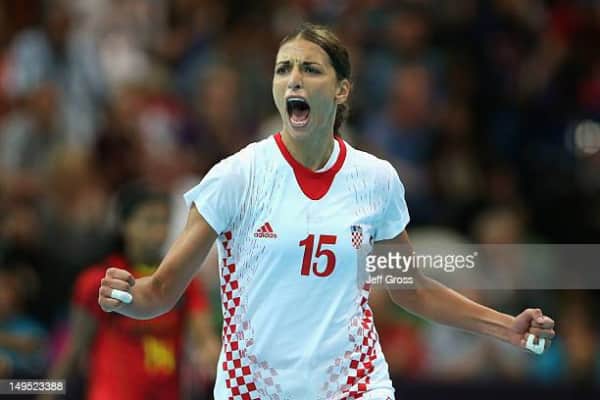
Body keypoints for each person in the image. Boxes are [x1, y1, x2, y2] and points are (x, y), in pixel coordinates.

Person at [98, 24, 555, 400]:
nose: (293, 79)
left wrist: (506, 327)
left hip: (355, 386)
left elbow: (410, 290)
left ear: (341, 89)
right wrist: (129, 296)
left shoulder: (375, 180)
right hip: (254, 389)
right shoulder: (237, 176)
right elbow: (162, 290)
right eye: (283, 69)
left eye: (310, 69)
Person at [48, 182, 219, 400]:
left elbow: (204, 337)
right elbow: (74, 350)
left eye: (164, 221)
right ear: (124, 224)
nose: (158, 231)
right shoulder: (99, 281)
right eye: (149, 221)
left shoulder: (183, 281)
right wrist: (46, 394)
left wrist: (211, 354)